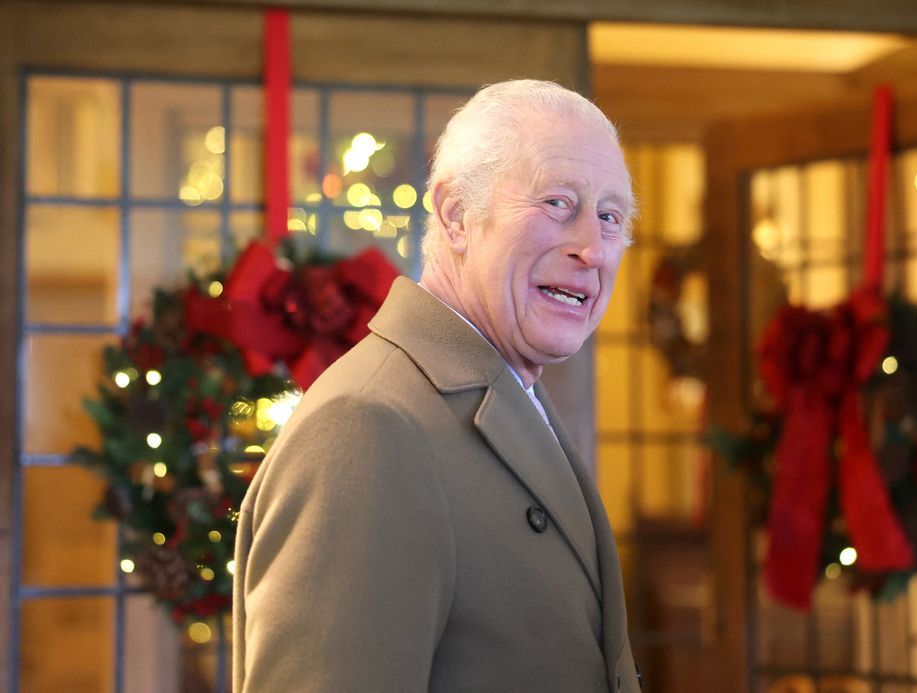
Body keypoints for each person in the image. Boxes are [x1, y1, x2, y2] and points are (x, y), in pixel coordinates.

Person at [233, 79, 641, 692]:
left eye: (610, 217)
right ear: (455, 214)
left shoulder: (507, 390)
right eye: (558, 203)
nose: (591, 248)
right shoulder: (368, 427)